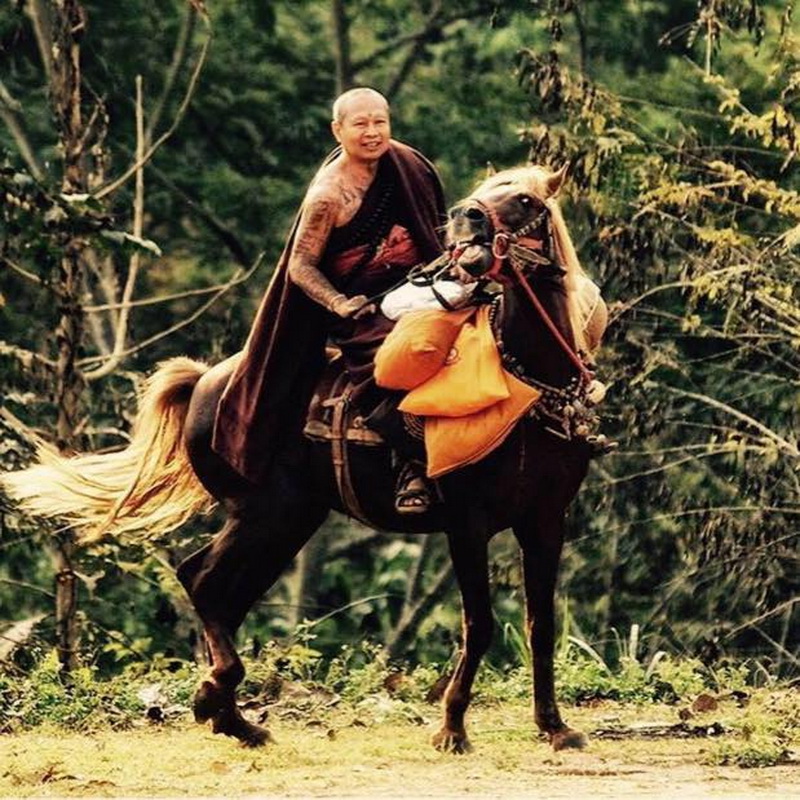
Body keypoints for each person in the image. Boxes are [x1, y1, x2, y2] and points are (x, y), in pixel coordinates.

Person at [212, 87, 446, 512]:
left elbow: (436, 229)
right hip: (363, 308)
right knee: (399, 361)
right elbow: (299, 267)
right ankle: (411, 463)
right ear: (338, 131)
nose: (373, 132)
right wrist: (340, 303)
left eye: (380, 122)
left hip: (421, 286)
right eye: (360, 124)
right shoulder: (329, 195)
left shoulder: (407, 165)